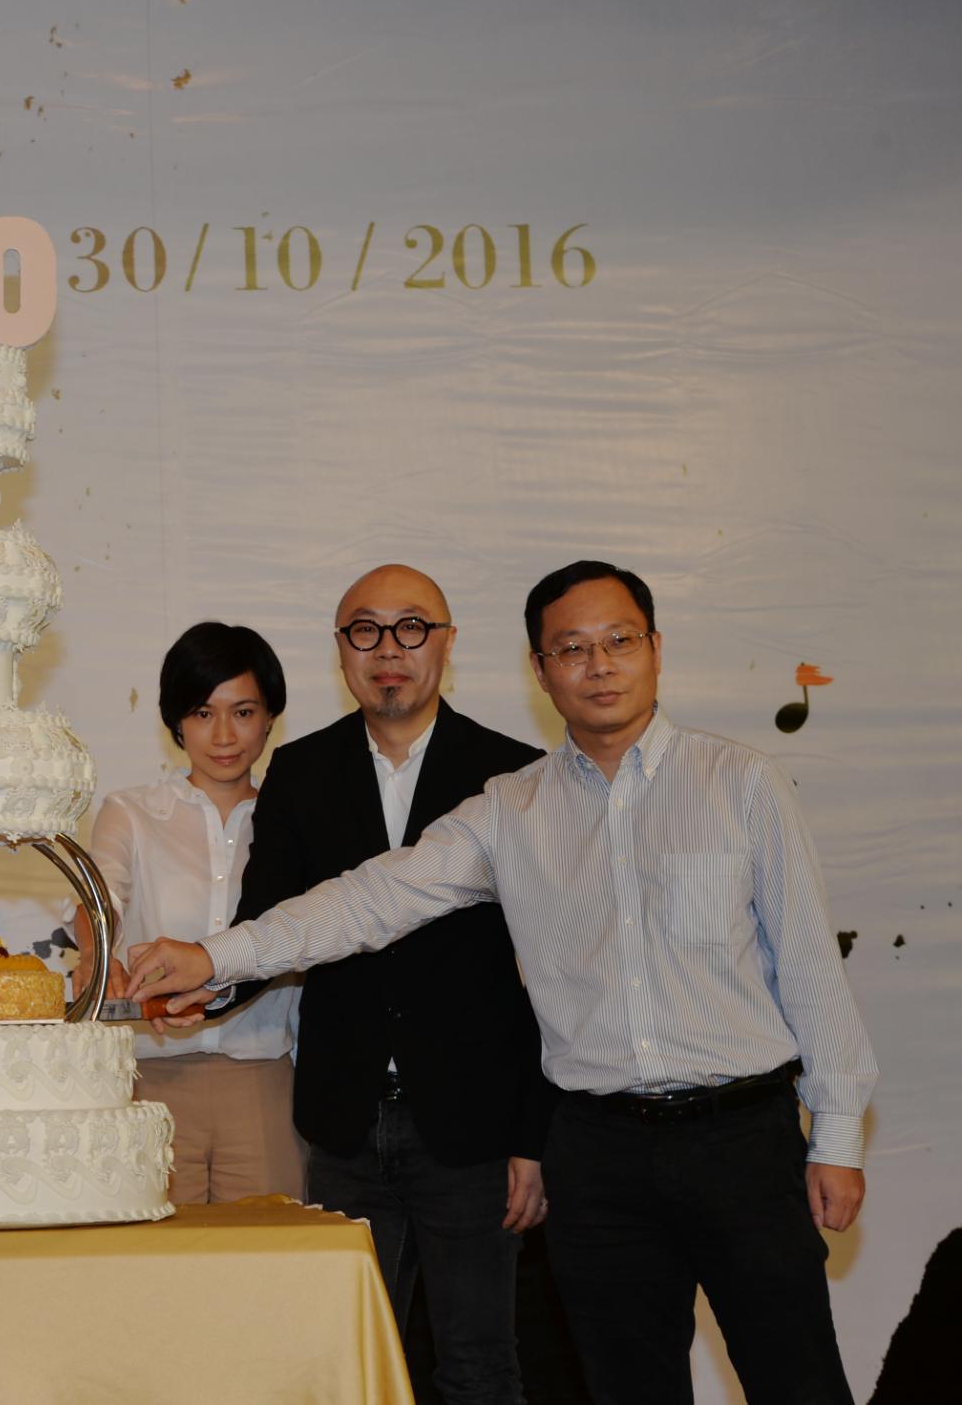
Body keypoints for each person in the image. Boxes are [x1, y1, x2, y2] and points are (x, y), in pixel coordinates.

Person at [127, 561, 877, 1405]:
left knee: (798, 1382)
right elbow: (367, 900)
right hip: (597, 1155)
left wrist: (837, 1136)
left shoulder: (741, 782)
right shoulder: (508, 808)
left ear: (655, 649)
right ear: (540, 670)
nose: (598, 664)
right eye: (572, 648)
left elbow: (809, 965)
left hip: (741, 1140)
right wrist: (214, 957)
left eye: (619, 641)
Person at [232, 564, 550, 1404]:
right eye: (365, 630)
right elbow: (266, 924)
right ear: (341, 650)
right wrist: (192, 976)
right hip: (344, 1123)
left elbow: (547, 975)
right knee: (348, 1369)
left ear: (447, 642)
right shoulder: (300, 770)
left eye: (412, 627)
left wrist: (532, 1135)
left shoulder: (516, 774)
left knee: (480, 1365)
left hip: (473, 1128)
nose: (389, 649)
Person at [74, 620, 305, 1202]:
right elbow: (100, 897)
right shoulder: (131, 812)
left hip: (263, 1082)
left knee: (269, 1253)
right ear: (176, 720)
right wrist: (95, 956)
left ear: (270, 717)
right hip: (151, 1076)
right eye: (203, 713)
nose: (223, 734)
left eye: (243, 712)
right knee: (155, 1256)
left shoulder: (296, 822)